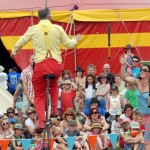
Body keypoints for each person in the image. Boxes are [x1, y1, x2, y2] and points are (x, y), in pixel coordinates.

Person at [11, 7, 81, 129]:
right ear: (49, 16)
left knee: (38, 94)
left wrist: (14, 51)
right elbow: (68, 44)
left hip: (41, 65)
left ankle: (41, 121)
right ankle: (54, 110)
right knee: (54, 85)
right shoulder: (58, 28)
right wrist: (75, 40)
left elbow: (21, 42)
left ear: (39, 18)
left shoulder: (33, 29)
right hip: (56, 65)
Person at [120, 55, 150, 149]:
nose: (142, 71)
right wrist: (122, 65)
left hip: (149, 116)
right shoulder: (137, 81)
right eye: (141, 69)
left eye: (144, 70)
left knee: (146, 141)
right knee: (138, 139)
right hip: (139, 116)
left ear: (149, 73)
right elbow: (124, 78)